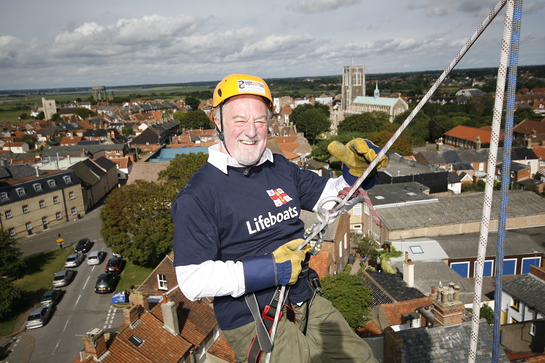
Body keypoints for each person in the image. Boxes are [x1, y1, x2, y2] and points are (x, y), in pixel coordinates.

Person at [172, 74, 388, 362]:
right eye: (239, 120)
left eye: (260, 121)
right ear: (218, 122)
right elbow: (193, 279)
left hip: (303, 298)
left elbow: (329, 198)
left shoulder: (279, 168)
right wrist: (272, 269)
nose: (251, 132)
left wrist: (356, 173)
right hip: (252, 317)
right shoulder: (199, 195)